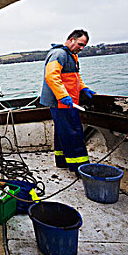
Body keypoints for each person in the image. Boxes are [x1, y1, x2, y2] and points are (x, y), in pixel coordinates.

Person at [40, 29, 96, 173]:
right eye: (80, 44)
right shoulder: (59, 54)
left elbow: (75, 78)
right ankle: (81, 168)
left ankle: (62, 161)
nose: (81, 48)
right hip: (63, 102)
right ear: (71, 39)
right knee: (73, 132)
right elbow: (52, 76)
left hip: (67, 101)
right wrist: (63, 96)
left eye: (84, 46)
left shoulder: (71, 56)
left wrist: (84, 88)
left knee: (62, 132)